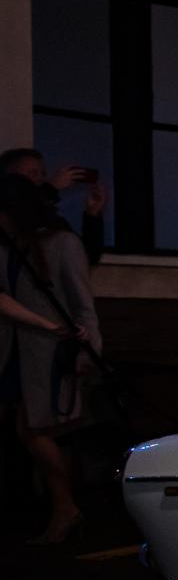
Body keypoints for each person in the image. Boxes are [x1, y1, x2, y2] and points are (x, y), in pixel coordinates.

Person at [0, 175, 99, 543]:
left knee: (35, 429)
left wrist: (89, 353)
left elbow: (82, 304)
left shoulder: (60, 244)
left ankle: (65, 506)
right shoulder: (13, 246)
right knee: (31, 430)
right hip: (17, 352)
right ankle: (63, 506)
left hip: (46, 354)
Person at [2, 147, 107, 265]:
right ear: (10, 176)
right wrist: (51, 188)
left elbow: (87, 256)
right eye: (32, 172)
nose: (40, 178)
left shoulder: (51, 217)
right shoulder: (7, 213)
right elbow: (23, 215)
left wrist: (92, 214)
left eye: (42, 173)